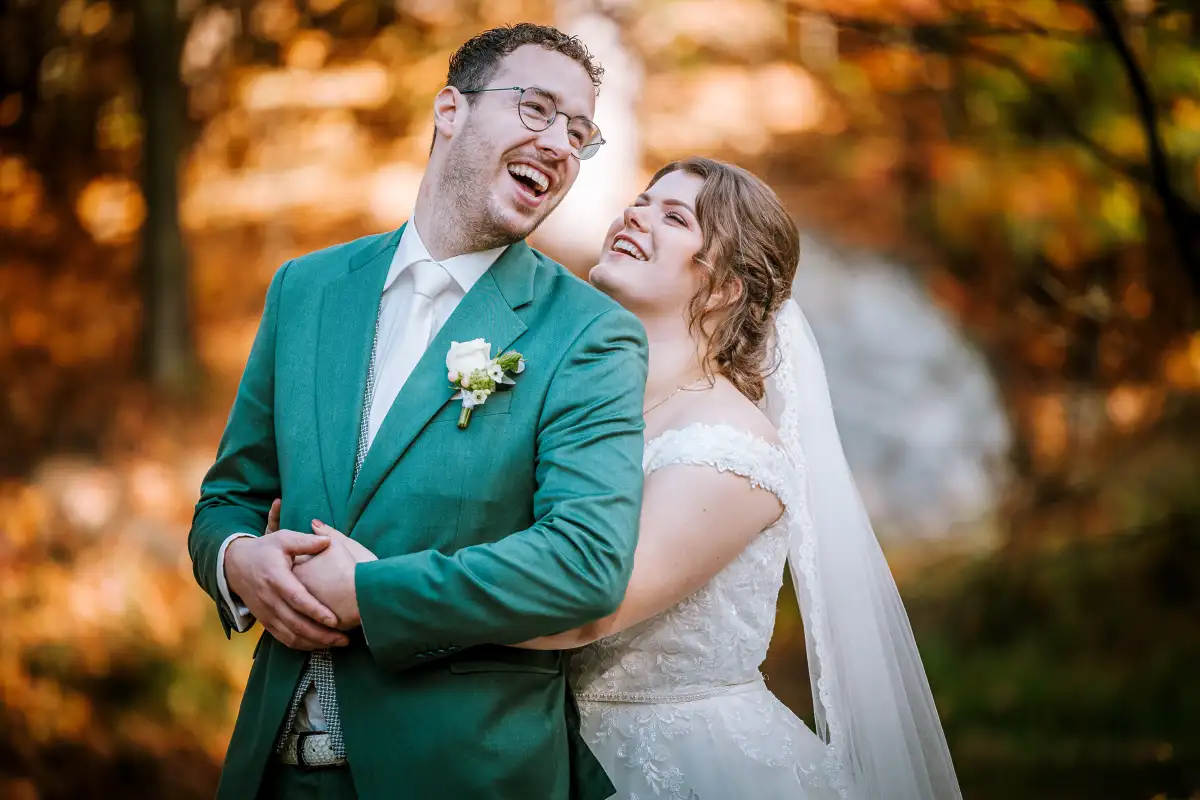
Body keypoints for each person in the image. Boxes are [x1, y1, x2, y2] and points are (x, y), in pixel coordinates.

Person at [188, 23, 648, 800]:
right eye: (537, 110)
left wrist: (372, 595)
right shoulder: (306, 287)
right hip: (272, 770)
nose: (561, 145)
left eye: (580, 132)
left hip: (462, 772)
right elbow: (228, 497)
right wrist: (237, 561)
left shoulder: (591, 334)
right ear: (449, 111)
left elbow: (585, 562)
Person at [513, 157, 964, 799]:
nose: (636, 215)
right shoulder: (573, 398)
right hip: (536, 744)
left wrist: (381, 603)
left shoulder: (732, 452)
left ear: (725, 287)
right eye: (642, 201)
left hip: (683, 766)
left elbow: (589, 608)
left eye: (673, 217)